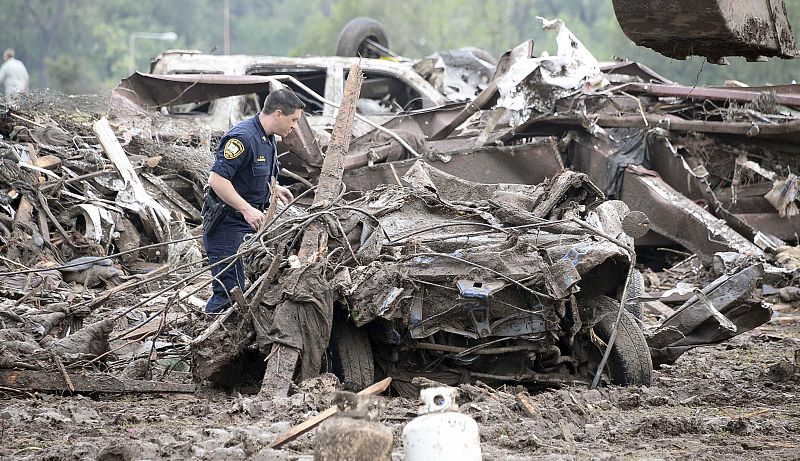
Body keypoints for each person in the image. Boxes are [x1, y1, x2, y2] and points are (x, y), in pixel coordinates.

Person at [203, 88, 304, 313]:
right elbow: (217, 180)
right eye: (293, 120)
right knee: (228, 293)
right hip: (226, 225)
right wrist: (247, 209)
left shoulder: (267, 139)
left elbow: (250, 175)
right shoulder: (243, 138)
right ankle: (210, 342)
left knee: (250, 287)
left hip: (248, 226)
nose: (295, 126)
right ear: (278, 114)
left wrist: (273, 188)